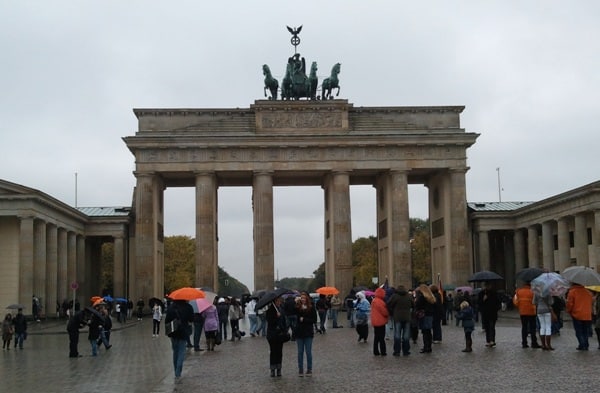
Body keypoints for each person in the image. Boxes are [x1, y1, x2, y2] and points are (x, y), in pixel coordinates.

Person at [165, 299, 194, 382]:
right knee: (181, 351)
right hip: (183, 331)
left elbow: (167, 320)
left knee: (175, 351)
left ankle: (176, 371)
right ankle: (178, 372)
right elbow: (191, 319)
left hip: (173, 332)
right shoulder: (188, 307)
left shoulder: (171, 307)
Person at [294, 292, 317, 376]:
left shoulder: (311, 307)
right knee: (300, 352)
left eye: (304, 298)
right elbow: (293, 314)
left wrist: (304, 319)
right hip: (299, 332)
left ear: (307, 298)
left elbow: (314, 320)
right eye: (301, 298)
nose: (303, 299)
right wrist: (296, 303)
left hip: (308, 332)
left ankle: (309, 369)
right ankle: (300, 369)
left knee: (308, 352)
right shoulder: (297, 307)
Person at [387, 285, 413, 356]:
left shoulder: (395, 296)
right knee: (406, 335)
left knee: (397, 334)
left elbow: (389, 305)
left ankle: (397, 351)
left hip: (397, 317)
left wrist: (392, 312)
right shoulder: (409, 296)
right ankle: (406, 351)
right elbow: (413, 305)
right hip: (407, 317)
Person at [514, 282, 541, 348]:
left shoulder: (519, 291)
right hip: (532, 312)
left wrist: (520, 306)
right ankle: (534, 343)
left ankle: (524, 343)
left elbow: (515, 301)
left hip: (522, 312)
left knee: (524, 328)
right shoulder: (533, 292)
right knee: (532, 328)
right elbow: (536, 301)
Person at [566, 283, 593, 351]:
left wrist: (569, 311)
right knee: (585, 331)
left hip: (577, 314)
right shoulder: (588, 292)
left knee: (579, 331)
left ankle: (582, 344)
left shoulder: (572, 292)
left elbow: (570, 303)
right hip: (587, 315)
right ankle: (586, 345)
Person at [266, 296, 288, 377]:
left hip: (280, 334)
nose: (279, 302)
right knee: (273, 352)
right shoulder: (269, 311)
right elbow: (270, 322)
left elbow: (284, 321)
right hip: (272, 334)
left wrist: (285, 331)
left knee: (279, 352)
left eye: (280, 301)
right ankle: (272, 369)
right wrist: (276, 317)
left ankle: (279, 368)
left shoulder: (281, 309)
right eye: (278, 301)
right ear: (274, 302)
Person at [415, 284, 436, 353]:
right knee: (428, 331)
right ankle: (429, 347)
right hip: (430, 315)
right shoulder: (431, 297)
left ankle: (426, 347)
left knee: (425, 332)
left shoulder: (422, 297)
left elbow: (417, 304)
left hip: (424, 315)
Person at [478, 283, 501, 347]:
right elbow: (479, 303)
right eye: (486, 285)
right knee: (487, 328)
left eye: (489, 285)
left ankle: (492, 340)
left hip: (492, 313)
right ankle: (488, 341)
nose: (488, 287)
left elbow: (498, 303)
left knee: (492, 327)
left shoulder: (494, 293)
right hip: (485, 314)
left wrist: (496, 309)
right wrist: (483, 299)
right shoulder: (481, 293)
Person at [370, 287, 389, 356]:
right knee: (381, 337)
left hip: (375, 321)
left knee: (376, 337)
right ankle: (383, 351)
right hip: (381, 321)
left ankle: (375, 351)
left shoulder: (374, 300)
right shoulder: (380, 302)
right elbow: (384, 312)